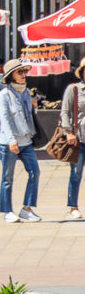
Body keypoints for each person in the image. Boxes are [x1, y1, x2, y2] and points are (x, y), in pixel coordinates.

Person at [0, 58, 41, 223]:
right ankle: (7, 211)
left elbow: (29, 118)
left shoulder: (27, 93)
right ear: (11, 76)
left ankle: (27, 209)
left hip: (26, 141)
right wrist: (11, 140)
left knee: (35, 172)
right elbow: (5, 119)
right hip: (10, 142)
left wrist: (34, 107)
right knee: (7, 177)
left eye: (25, 72)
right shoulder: (4, 95)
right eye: (19, 72)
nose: (23, 75)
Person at [61, 58, 85, 220]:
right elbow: (65, 112)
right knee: (76, 173)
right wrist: (68, 132)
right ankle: (73, 206)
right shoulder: (74, 89)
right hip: (78, 138)